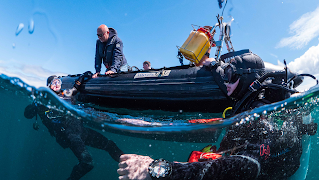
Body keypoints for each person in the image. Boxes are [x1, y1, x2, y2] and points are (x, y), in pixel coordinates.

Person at [117, 52, 317, 180]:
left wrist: (159, 169)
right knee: (199, 158)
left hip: (277, 174)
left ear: (246, 77)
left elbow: (248, 166)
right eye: (225, 75)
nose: (226, 82)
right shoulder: (243, 101)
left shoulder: (259, 114)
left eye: (230, 75)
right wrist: (213, 65)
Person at [24, 75, 124, 180]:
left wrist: (84, 76)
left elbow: (75, 88)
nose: (57, 84)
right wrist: (36, 102)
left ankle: (127, 162)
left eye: (58, 81)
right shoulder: (44, 101)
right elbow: (27, 114)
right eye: (54, 83)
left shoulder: (65, 93)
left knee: (110, 144)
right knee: (88, 163)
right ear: (49, 86)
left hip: (82, 131)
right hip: (69, 135)